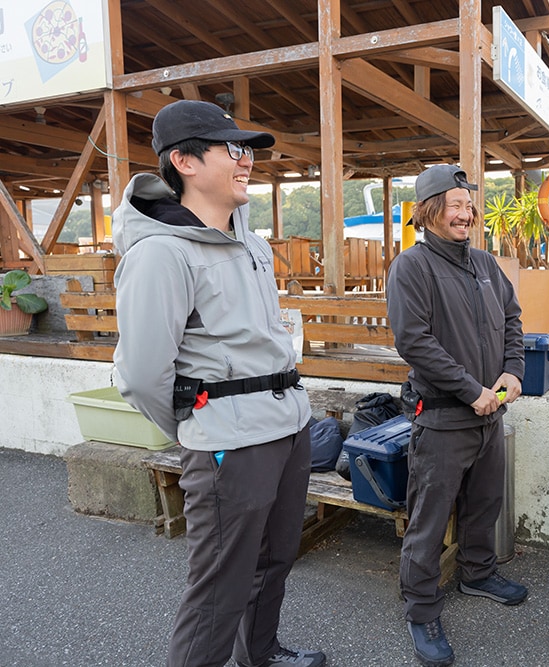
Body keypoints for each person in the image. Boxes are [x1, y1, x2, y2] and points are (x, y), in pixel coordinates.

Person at [112, 99, 324, 667]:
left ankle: (261, 653)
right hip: (230, 441)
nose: (246, 159)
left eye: (248, 149)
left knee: (275, 560)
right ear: (183, 160)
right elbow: (139, 375)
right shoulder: (160, 253)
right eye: (232, 149)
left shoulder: (251, 244)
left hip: (288, 424)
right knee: (217, 589)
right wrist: (197, 426)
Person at [386, 164, 527, 667]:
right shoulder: (413, 267)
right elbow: (414, 342)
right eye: (455, 204)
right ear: (429, 211)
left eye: (469, 204)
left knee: (484, 503)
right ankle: (421, 608)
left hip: (492, 412)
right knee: (428, 517)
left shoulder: (485, 264)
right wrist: (471, 390)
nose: (466, 212)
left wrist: (513, 371)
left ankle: (478, 573)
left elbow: (512, 318)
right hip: (443, 417)